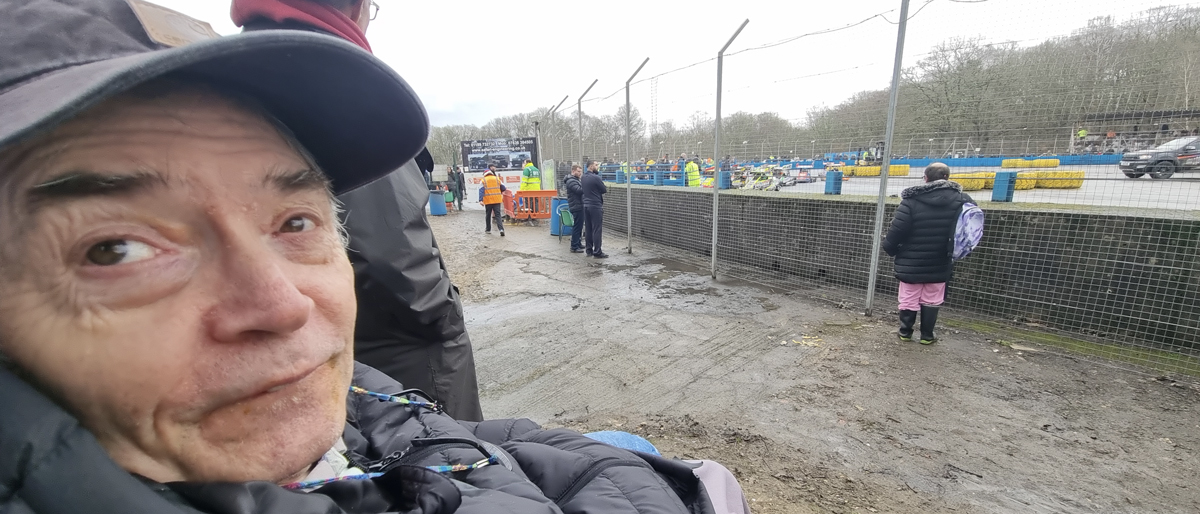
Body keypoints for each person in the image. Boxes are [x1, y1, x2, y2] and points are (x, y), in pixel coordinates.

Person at [0, 2, 743, 513]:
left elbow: (420, 434)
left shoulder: (342, 399)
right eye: (116, 248)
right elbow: (405, 269)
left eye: (294, 219)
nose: (283, 303)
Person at [232, 0, 482, 421]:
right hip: (400, 349)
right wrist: (444, 318)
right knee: (448, 460)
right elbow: (394, 250)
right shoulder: (347, 90)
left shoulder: (229, 78)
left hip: (320, 347)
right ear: (357, 8)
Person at [882, 163, 975, 345]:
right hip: (941, 258)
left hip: (911, 260)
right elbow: (970, 228)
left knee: (909, 296)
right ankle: (927, 335)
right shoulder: (963, 199)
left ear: (925, 178)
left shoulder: (911, 201)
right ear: (947, 177)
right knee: (933, 297)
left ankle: (905, 332)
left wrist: (890, 248)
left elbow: (897, 230)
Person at [582, 162, 609, 258]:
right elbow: (604, 189)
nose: (597, 167)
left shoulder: (583, 177)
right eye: (596, 165)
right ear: (591, 166)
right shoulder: (596, 178)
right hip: (595, 205)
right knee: (597, 229)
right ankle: (597, 251)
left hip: (586, 205)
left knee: (588, 228)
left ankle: (589, 250)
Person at [564, 164, 586, 253]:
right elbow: (579, 191)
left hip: (578, 205)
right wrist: (586, 186)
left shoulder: (575, 180)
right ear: (573, 171)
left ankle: (578, 243)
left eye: (581, 171)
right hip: (576, 206)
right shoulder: (571, 181)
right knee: (577, 226)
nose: (580, 173)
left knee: (579, 226)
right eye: (578, 171)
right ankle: (574, 246)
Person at [481, 165, 506, 236]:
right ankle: (501, 229)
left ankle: (488, 229)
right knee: (498, 215)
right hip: (497, 200)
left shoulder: (483, 180)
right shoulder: (497, 179)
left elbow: (481, 191)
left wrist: (480, 200)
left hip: (488, 200)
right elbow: (504, 188)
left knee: (488, 215)